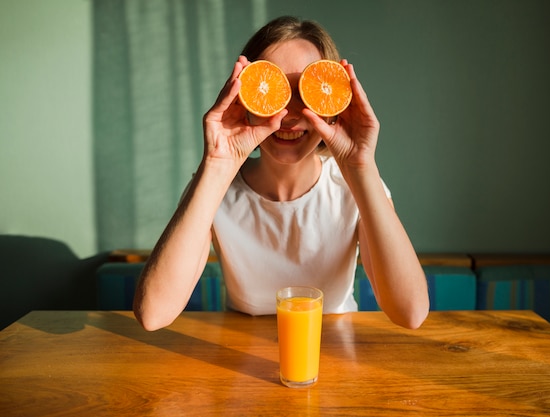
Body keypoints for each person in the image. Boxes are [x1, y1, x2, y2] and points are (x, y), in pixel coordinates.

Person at [133, 16, 429, 331]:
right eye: (271, 91)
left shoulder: (353, 187)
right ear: (244, 96)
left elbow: (410, 312)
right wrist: (218, 165)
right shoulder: (214, 187)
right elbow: (154, 314)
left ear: (332, 102)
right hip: (238, 354)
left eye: (307, 91)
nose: (287, 116)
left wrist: (361, 167)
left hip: (336, 353)